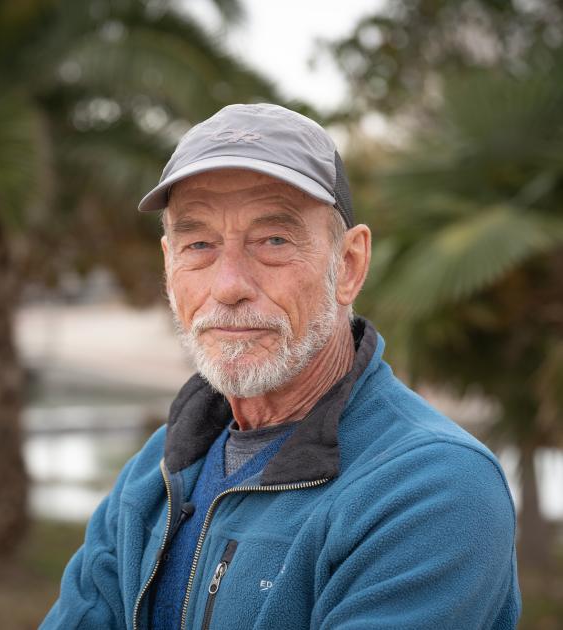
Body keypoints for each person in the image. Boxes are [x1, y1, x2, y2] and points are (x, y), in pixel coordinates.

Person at [40, 103, 521, 630]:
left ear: (349, 265)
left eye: (273, 241)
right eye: (198, 244)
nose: (228, 287)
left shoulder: (433, 490)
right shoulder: (155, 473)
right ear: (168, 264)